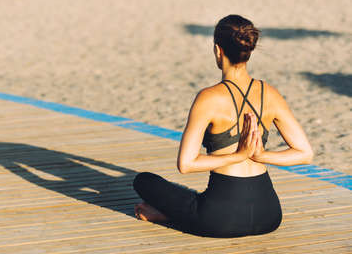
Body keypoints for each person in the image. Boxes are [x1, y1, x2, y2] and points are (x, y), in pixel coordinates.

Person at [132, 14, 313, 238]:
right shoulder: (270, 93)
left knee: (144, 181)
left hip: (220, 219)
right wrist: (261, 155)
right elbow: (305, 153)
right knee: (189, 199)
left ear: (218, 50)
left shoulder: (208, 98)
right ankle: (176, 215)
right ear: (249, 51)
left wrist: (238, 156)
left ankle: (169, 216)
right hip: (270, 215)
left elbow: (187, 164)